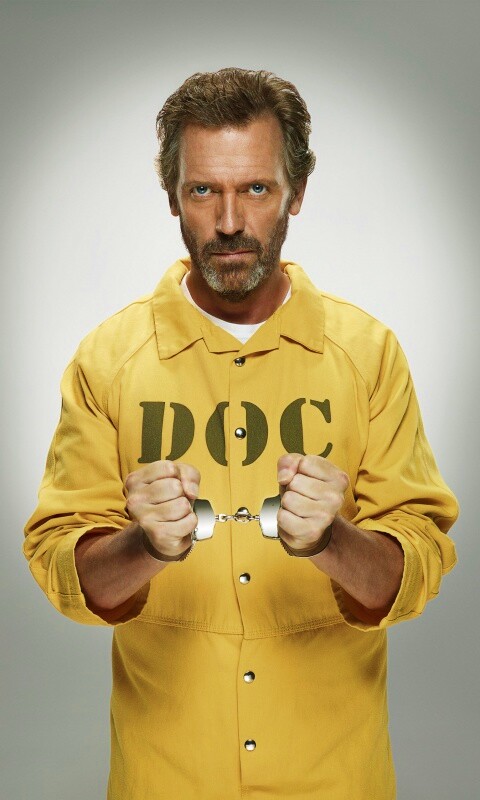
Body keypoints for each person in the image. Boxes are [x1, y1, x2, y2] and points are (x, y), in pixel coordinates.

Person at [24, 68, 458, 800]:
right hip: (164, 781)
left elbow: (416, 571)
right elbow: (64, 574)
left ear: (297, 191)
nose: (229, 221)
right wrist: (142, 546)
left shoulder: (370, 355)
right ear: (172, 196)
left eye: (256, 188)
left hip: (336, 781)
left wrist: (332, 541)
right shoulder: (106, 361)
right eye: (203, 190)